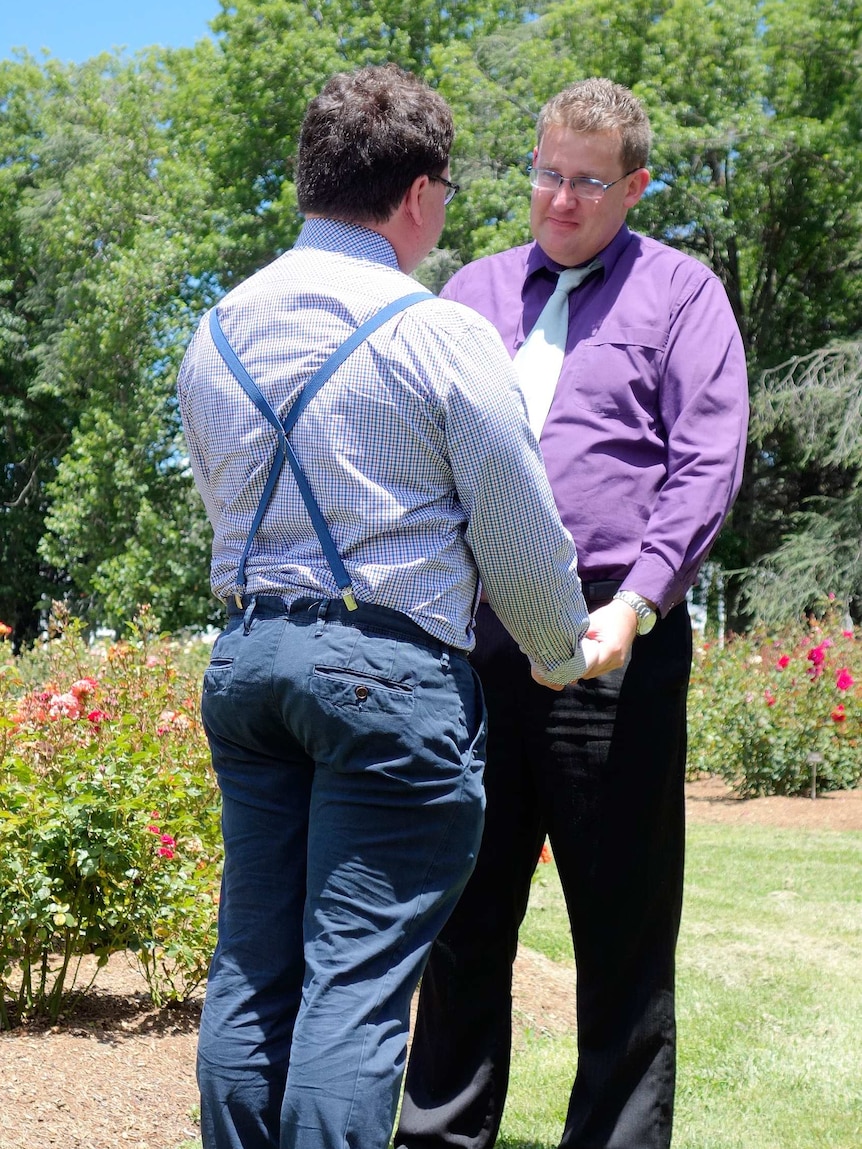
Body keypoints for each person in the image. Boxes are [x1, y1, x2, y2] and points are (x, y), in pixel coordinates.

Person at [177, 64, 620, 1149]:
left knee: (252, 966)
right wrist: (567, 649)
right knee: (356, 986)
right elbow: (521, 539)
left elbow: (220, 502)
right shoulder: (438, 333)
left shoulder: (216, 332)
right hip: (385, 681)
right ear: (418, 193)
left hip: (248, 666)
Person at [396, 78, 749, 1149]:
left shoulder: (682, 295)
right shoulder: (468, 295)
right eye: (547, 173)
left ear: (635, 185)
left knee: (622, 930)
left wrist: (638, 603)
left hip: (614, 639)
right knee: (462, 919)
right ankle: (441, 1137)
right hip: (478, 638)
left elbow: (706, 462)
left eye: (588, 181)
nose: (559, 199)